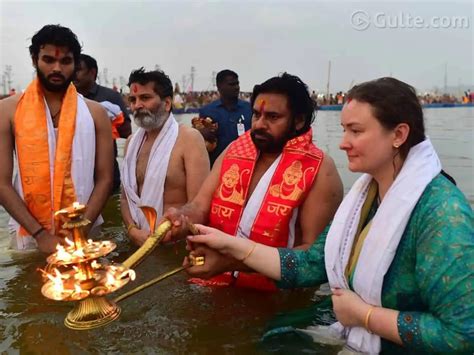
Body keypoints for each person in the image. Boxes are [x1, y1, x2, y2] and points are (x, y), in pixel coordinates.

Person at [183, 77, 474, 353]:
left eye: (356, 131)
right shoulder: (365, 199)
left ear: (399, 135)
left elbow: (463, 334)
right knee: (272, 338)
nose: (342, 142)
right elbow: (312, 263)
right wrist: (231, 247)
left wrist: (366, 316)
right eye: (344, 130)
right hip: (358, 333)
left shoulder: (441, 215)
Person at [165, 73, 343, 290]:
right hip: (213, 282)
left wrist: (233, 262)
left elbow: (312, 259)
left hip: (275, 300)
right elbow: (200, 206)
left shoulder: (320, 170)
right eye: (256, 115)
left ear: (298, 120)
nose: (259, 124)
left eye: (273, 117)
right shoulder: (234, 150)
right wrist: (181, 219)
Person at [0, 25, 114, 252]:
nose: (57, 68)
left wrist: (81, 230)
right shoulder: (7, 111)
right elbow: (1, 182)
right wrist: (40, 234)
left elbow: (105, 179)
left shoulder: (95, 113)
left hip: (85, 230)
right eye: (48, 59)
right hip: (29, 233)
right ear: (34, 60)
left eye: (65, 61)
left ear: (75, 64)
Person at [121, 68, 210, 246]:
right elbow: (125, 198)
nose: (137, 105)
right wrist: (133, 231)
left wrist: (169, 233)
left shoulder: (189, 139)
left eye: (145, 98)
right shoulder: (131, 143)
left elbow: (201, 206)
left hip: (175, 247)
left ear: (167, 103)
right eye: (133, 99)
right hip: (137, 242)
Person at [74, 54, 132, 192]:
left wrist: (110, 119)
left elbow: (127, 133)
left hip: (105, 172)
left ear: (92, 72)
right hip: (75, 172)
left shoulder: (110, 97)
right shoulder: (66, 97)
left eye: (78, 70)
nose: (73, 74)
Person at [198, 70, 252, 166]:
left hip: (246, 163)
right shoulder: (207, 111)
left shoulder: (249, 109)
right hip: (217, 165)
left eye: (237, 83)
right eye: (231, 84)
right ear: (219, 87)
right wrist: (201, 134)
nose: (236, 87)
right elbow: (202, 141)